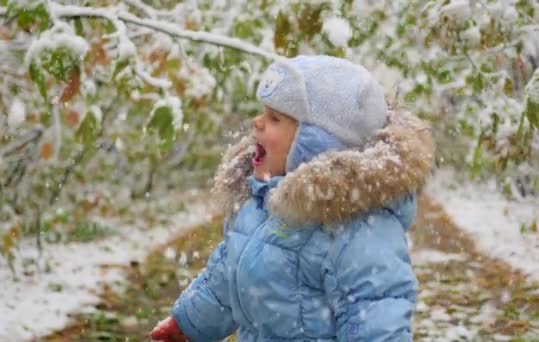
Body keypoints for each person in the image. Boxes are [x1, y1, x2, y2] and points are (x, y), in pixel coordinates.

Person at [149, 55, 435, 341]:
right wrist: (188, 324)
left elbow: (375, 315)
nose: (257, 122)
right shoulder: (260, 203)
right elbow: (227, 278)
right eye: (264, 112)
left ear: (317, 146)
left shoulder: (356, 229)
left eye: (275, 118)